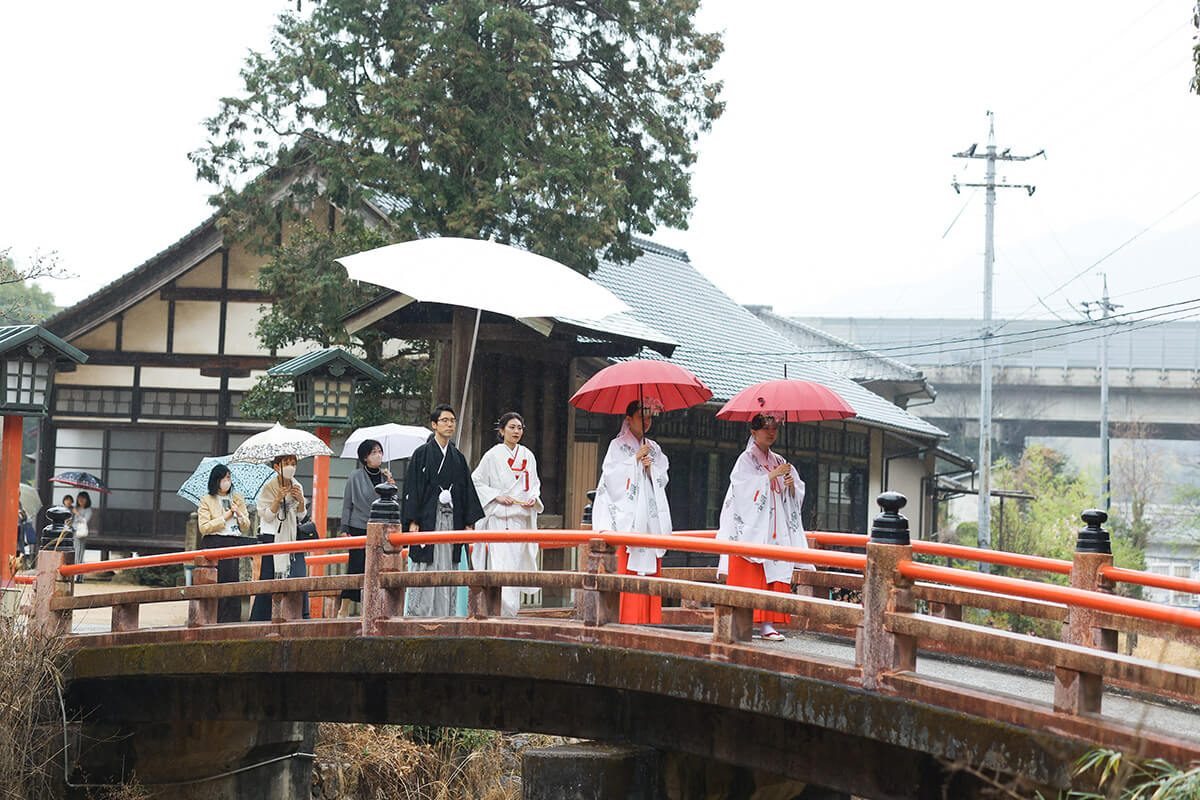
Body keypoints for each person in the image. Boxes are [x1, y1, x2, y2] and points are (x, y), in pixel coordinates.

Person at [716, 414, 814, 642]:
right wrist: (769, 477)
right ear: (753, 432)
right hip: (754, 528)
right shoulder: (746, 459)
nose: (771, 432)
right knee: (754, 571)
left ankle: (768, 624)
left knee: (774, 570)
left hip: (775, 527)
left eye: (774, 428)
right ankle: (744, 623)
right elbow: (742, 489)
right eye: (765, 428)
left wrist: (791, 486)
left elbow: (795, 494)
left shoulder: (780, 460)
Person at [592, 399, 672, 624]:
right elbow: (611, 478)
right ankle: (626, 618)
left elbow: (662, 477)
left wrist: (649, 469)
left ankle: (648, 619)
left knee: (649, 570)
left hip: (648, 518)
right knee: (627, 568)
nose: (646, 421)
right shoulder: (617, 445)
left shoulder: (654, 448)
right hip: (626, 518)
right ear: (628, 419)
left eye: (649, 416)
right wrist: (634, 461)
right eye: (641, 416)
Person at [401, 404, 484, 617]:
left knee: (448, 565)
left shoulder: (458, 457)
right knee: (426, 563)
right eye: (445, 420)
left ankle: (446, 613)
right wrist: (412, 520)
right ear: (434, 424)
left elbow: (466, 490)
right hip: (428, 519)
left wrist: (468, 522)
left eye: (452, 421)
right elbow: (413, 487)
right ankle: (420, 613)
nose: (449, 424)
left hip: (452, 519)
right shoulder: (421, 454)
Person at [471, 412, 543, 617]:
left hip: (520, 518)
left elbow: (534, 483)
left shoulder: (528, 455)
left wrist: (533, 497)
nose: (516, 431)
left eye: (519, 428)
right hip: (500, 520)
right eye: (512, 427)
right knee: (501, 566)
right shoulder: (492, 455)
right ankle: (502, 612)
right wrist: (497, 496)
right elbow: (477, 480)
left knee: (516, 567)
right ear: (502, 431)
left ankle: (512, 612)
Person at [338, 439, 394, 617]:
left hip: (379, 527)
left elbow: (392, 503)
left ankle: (368, 608)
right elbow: (347, 503)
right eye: (373, 452)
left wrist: (392, 487)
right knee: (356, 567)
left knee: (377, 568)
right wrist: (343, 528)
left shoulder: (386, 477)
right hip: (358, 526)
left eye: (380, 451)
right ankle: (344, 608)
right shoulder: (355, 476)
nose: (378, 455)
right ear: (365, 458)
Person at [251, 454, 306, 622]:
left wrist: (301, 500)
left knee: (297, 576)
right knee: (269, 580)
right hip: (272, 536)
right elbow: (266, 516)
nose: (291, 467)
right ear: (277, 467)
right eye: (287, 463)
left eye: (293, 463)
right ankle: (261, 619)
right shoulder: (269, 487)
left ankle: (296, 616)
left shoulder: (297, 485)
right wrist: (277, 499)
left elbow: (301, 516)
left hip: (291, 537)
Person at [197, 463, 255, 623]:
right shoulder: (207, 500)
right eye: (223, 478)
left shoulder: (237, 498)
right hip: (214, 542)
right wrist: (225, 518)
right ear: (215, 481)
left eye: (228, 478)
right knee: (216, 581)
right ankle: (214, 618)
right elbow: (204, 527)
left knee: (232, 580)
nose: (226, 481)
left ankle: (232, 619)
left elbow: (246, 525)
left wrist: (238, 514)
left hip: (233, 541)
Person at [72, 491, 93, 583]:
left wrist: (77, 513)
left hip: (80, 534)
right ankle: (74, 575)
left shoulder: (88, 510)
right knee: (73, 554)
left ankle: (78, 577)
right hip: (73, 532)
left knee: (79, 555)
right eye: (79, 497)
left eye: (83, 498)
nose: (81, 500)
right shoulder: (75, 508)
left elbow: (85, 520)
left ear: (87, 500)